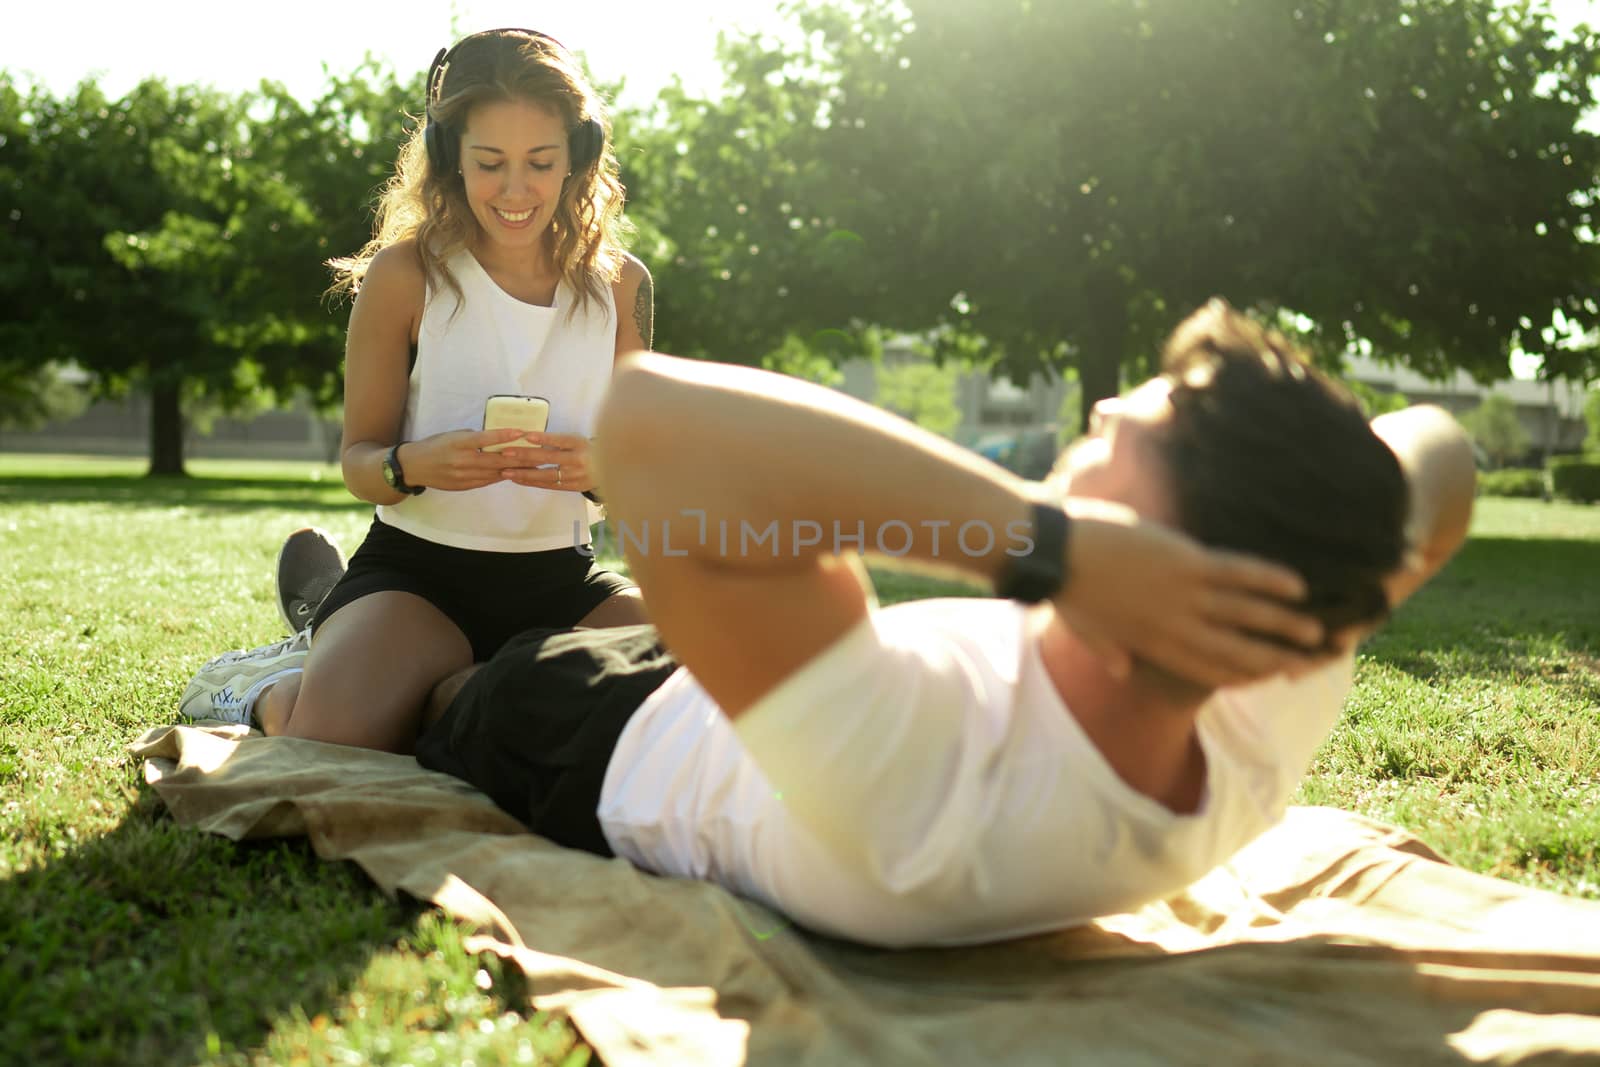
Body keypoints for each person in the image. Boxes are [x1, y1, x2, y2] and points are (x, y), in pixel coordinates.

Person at [409, 299, 1477, 948]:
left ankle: (305, 654)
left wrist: (1053, 547)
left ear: (1170, 545)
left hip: (604, 731)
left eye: (1148, 411)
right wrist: (1352, 558)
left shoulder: (929, 799)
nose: (1104, 408)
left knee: (444, 688)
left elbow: (645, 425)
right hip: (783, 668)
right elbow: (1441, 449)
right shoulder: (1262, 663)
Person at [178, 28, 651, 751]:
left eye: (541, 162)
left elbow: (633, 471)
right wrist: (413, 465)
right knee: (329, 739)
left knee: (684, 694)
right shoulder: (405, 275)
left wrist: (603, 471)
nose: (516, 189)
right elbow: (359, 460)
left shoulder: (622, 286)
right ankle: (274, 684)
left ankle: (438, 686)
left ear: (579, 158)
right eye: (490, 162)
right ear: (447, 154)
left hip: (563, 584)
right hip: (418, 579)